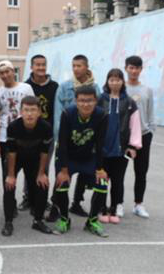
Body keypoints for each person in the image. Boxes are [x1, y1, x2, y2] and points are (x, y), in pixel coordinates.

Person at [52, 85, 109, 238]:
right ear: (76, 102)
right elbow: (62, 143)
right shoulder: (67, 113)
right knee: (62, 184)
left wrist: (100, 169)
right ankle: (64, 219)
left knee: (102, 183)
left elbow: (100, 144)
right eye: (82, 101)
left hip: (88, 157)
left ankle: (92, 221)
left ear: (95, 101)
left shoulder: (102, 115)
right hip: (68, 156)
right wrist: (63, 170)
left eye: (89, 101)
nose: (86, 104)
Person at [52, 54, 101, 220]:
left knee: (86, 176)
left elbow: (98, 115)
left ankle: (77, 203)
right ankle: (56, 207)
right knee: (61, 175)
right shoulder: (64, 87)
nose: (76, 69)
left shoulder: (95, 88)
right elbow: (58, 115)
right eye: (73, 66)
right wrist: (60, 140)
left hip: (87, 141)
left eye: (79, 66)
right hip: (67, 141)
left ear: (87, 67)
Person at [2, 96, 54, 236]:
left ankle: (38, 220)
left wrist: (41, 173)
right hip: (16, 158)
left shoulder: (46, 127)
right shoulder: (13, 127)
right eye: (26, 110)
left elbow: (44, 152)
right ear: (21, 112)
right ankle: (8, 222)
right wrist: (11, 175)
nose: (29, 114)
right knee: (9, 185)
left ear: (39, 112)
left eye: (33, 110)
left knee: (42, 184)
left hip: (35, 158)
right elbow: (11, 152)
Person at [97, 69, 142, 224]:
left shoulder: (129, 102)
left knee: (118, 181)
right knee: (102, 180)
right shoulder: (100, 100)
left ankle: (114, 209)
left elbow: (135, 125)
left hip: (120, 149)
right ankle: (101, 209)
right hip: (103, 148)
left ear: (122, 82)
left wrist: (132, 146)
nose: (115, 83)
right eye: (112, 80)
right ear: (107, 81)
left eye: (118, 80)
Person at [0, 60, 34, 219]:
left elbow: (34, 110)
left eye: (7, 71)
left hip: (26, 137)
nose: (5, 75)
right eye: (1, 73)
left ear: (13, 71)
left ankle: (33, 203)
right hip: (6, 138)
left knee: (30, 172)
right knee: (7, 175)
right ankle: (10, 206)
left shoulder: (26, 88)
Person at [20, 54, 59, 213]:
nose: (41, 68)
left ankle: (42, 198)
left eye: (43, 64)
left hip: (47, 134)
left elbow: (57, 111)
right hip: (29, 134)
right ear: (32, 67)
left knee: (44, 167)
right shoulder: (26, 86)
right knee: (28, 167)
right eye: (37, 65)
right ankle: (28, 197)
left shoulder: (55, 86)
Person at [125, 55, 155, 218]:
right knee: (118, 173)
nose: (134, 71)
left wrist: (150, 131)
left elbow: (150, 112)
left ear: (141, 69)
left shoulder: (147, 90)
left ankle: (138, 204)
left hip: (143, 135)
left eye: (137, 68)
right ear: (126, 68)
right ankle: (117, 204)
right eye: (131, 67)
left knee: (141, 172)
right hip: (124, 137)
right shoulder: (121, 88)